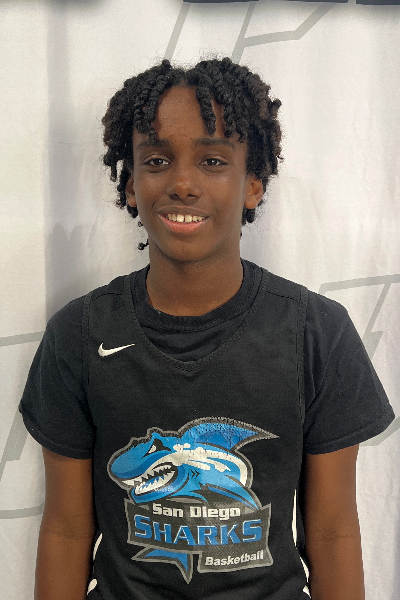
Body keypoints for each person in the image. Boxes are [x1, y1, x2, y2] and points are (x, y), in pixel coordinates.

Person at [20, 57, 394, 600]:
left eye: (213, 160)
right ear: (131, 185)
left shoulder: (317, 331)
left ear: (253, 186)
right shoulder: (77, 333)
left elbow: (334, 533)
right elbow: (65, 530)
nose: (182, 183)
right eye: (156, 160)